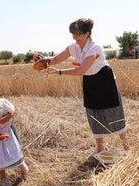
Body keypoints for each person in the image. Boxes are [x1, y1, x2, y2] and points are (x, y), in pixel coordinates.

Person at [33, 18, 130, 154]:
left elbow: (81, 70)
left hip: (104, 80)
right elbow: (55, 59)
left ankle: (126, 148)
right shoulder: (74, 47)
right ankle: (100, 148)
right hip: (90, 81)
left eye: (78, 34)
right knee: (93, 112)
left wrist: (59, 72)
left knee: (114, 113)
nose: (74, 37)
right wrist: (43, 60)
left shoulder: (94, 48)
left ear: (87, 34)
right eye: (73, 33)